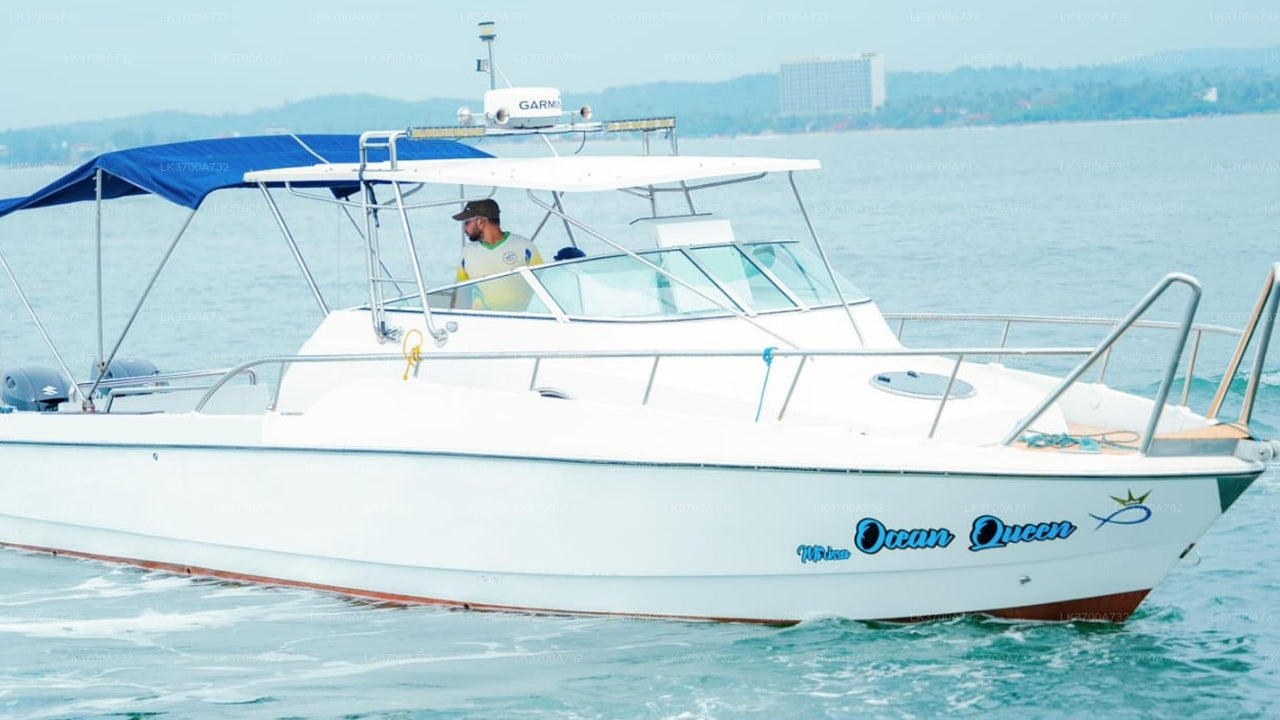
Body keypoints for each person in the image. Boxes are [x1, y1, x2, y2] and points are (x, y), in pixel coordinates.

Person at [451, 199, 542, 310]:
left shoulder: (525, 247)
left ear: (480, 221)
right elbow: (461, 295)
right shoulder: (467, 252)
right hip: (480, 323)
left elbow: (543, 286)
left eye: (467, 222)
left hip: (519, 323)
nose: (464, 228)